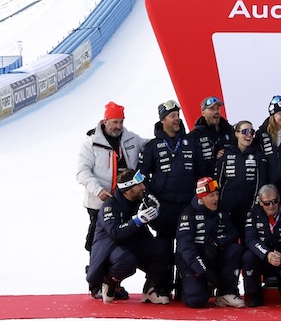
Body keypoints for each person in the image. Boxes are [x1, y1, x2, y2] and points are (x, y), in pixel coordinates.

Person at [77, 101, 146, 294]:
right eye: (114, 122)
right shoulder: (91, 144)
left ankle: (113, 283)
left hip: (125, 202)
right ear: (105, 121)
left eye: (121, 122)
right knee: (98, 244)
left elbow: (150, 145)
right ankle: (95, 285)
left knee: (120, 244)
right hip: (99, 203)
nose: (118, 126)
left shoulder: (131, 139)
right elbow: (82, 172)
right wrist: (98, 190)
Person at [139, 99, 201, 303]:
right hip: (164, 207)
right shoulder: (152, 146)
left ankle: (185, 288)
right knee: (163, 248)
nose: (177, 119)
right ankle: (160, 288)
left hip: (187, 206)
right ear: (163, 120)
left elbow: (202, 171)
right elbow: (140, 175)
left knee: (186, 247)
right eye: (173, 116)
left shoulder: (190, 142)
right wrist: (149, 196)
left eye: (178, 115)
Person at [86, 168, 170, 304]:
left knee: (162, 247)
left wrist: (156, 213)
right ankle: (109, 283)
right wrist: (136, 220)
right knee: (126, 260)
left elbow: (157, 227)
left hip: (133, 245)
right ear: (128, 190)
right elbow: (115, 233)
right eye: (139, 185)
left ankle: (150, 290)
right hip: (112, 249)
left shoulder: (141, 200)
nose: (143, 187)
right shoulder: (110, 206)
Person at [176, 176, 245, 307]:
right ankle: (196, 286)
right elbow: (185, 248)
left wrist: (217, 242)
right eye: (212, 195)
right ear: (201, 198)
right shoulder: (188, 214)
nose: (216, 199)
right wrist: (205, 271)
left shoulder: (221, 211)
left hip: (214, 257)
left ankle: (226, 292)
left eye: (217, 194)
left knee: (235, 249)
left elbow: (233, 233)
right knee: (195, 300)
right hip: (193, 262)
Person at [242, 185, 281, 306]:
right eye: (267, 203)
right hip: (263, 257)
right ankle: (254, 295)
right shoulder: (253, 213)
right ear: (260, 202)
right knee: (248, 256)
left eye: (274, 201)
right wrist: (267, 254)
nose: (271, 206)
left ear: (279, 199)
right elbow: (250, 239)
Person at [218, 120, 270, 236]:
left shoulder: (258, 155)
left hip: (248, 209)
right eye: (245, 131)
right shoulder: (226, 153)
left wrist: (254, 207)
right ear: (236, 133)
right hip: (227, 208)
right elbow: (218, 181)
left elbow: (261, 184)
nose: (249, 135)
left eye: (252, 132)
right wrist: (219, 205)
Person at [189, 96, 235, 171]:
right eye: (212, 108)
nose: (216, 111)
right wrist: (214, 155)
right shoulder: (194, 136)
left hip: (227, 176)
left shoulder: (230, 131)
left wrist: (228, 153)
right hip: (206, 177)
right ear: (203, 113)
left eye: (217, 108)